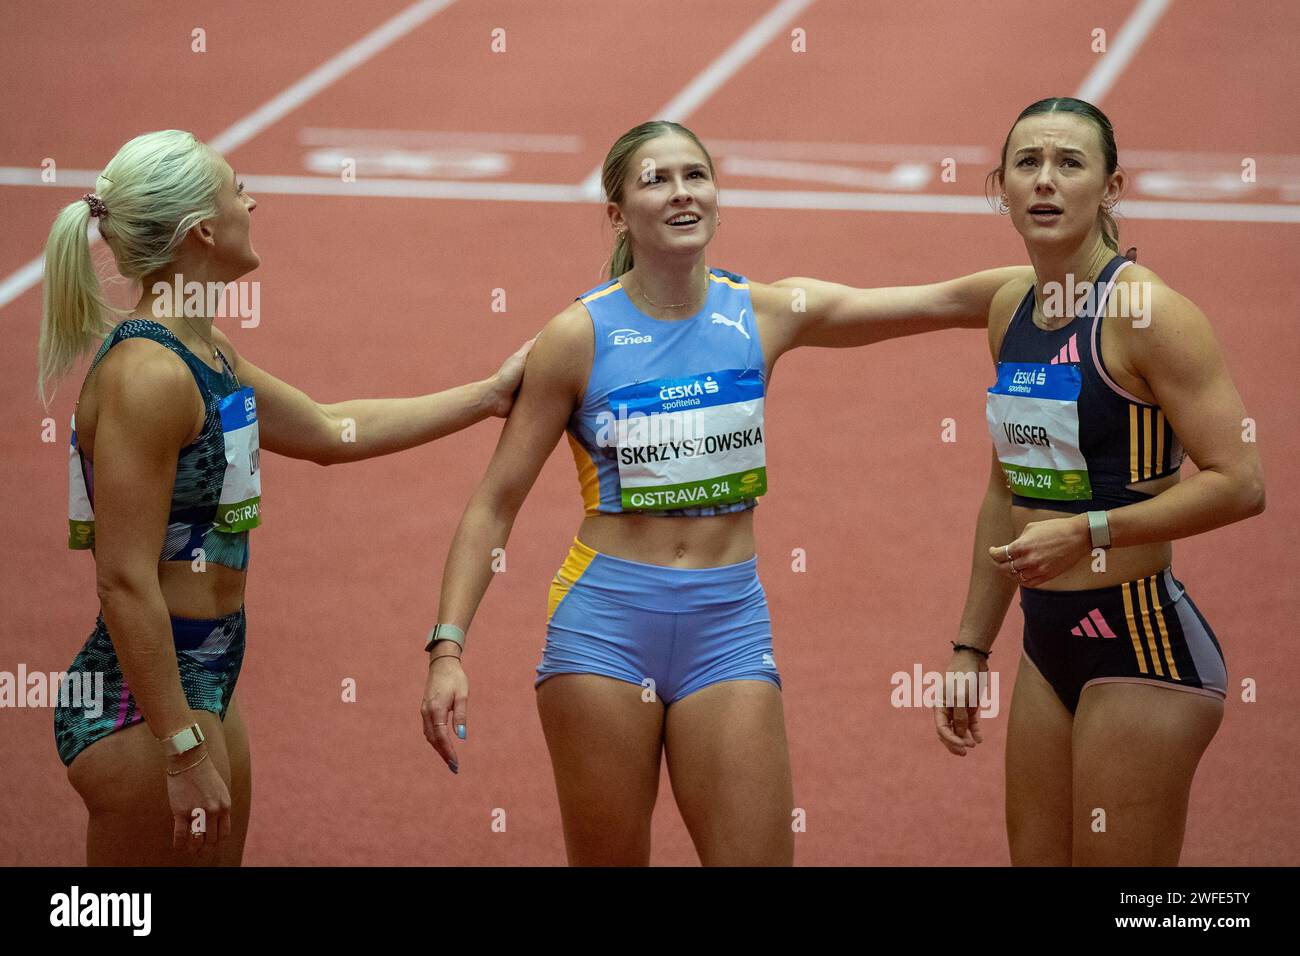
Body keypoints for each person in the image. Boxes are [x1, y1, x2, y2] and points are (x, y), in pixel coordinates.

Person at [420, 119, 1030, 866]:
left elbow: (942, 302)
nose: (681, 193)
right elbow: (494, 502)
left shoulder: (765, 312)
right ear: (618, 215)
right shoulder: (577, 337)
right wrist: (448, 646)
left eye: (695, 176)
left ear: (717, 197)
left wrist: (1084, 280)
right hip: (604, 626)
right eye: (656, 180)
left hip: (728, 626)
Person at [39, 129, 532, 866]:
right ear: (204, 229)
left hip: (205, 673)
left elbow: (334, 429)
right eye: (238, 189)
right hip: (140, 703)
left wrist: (489, 396)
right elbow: (123, 577)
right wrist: (178, 750)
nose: (253, 200)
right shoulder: (149, 376)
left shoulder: (207, 352)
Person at [933, 97, 1265, 866]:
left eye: (1069, 164)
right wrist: (969, 648)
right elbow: (1004, 494)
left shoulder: (1149, 314)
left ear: (1111, 188)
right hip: (1048, 646)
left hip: (1142, 647)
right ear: (1001, 188)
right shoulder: (1012, 307)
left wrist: (1091, 530)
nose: (1045, 181)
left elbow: (1241, 482)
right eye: (1028, 164)